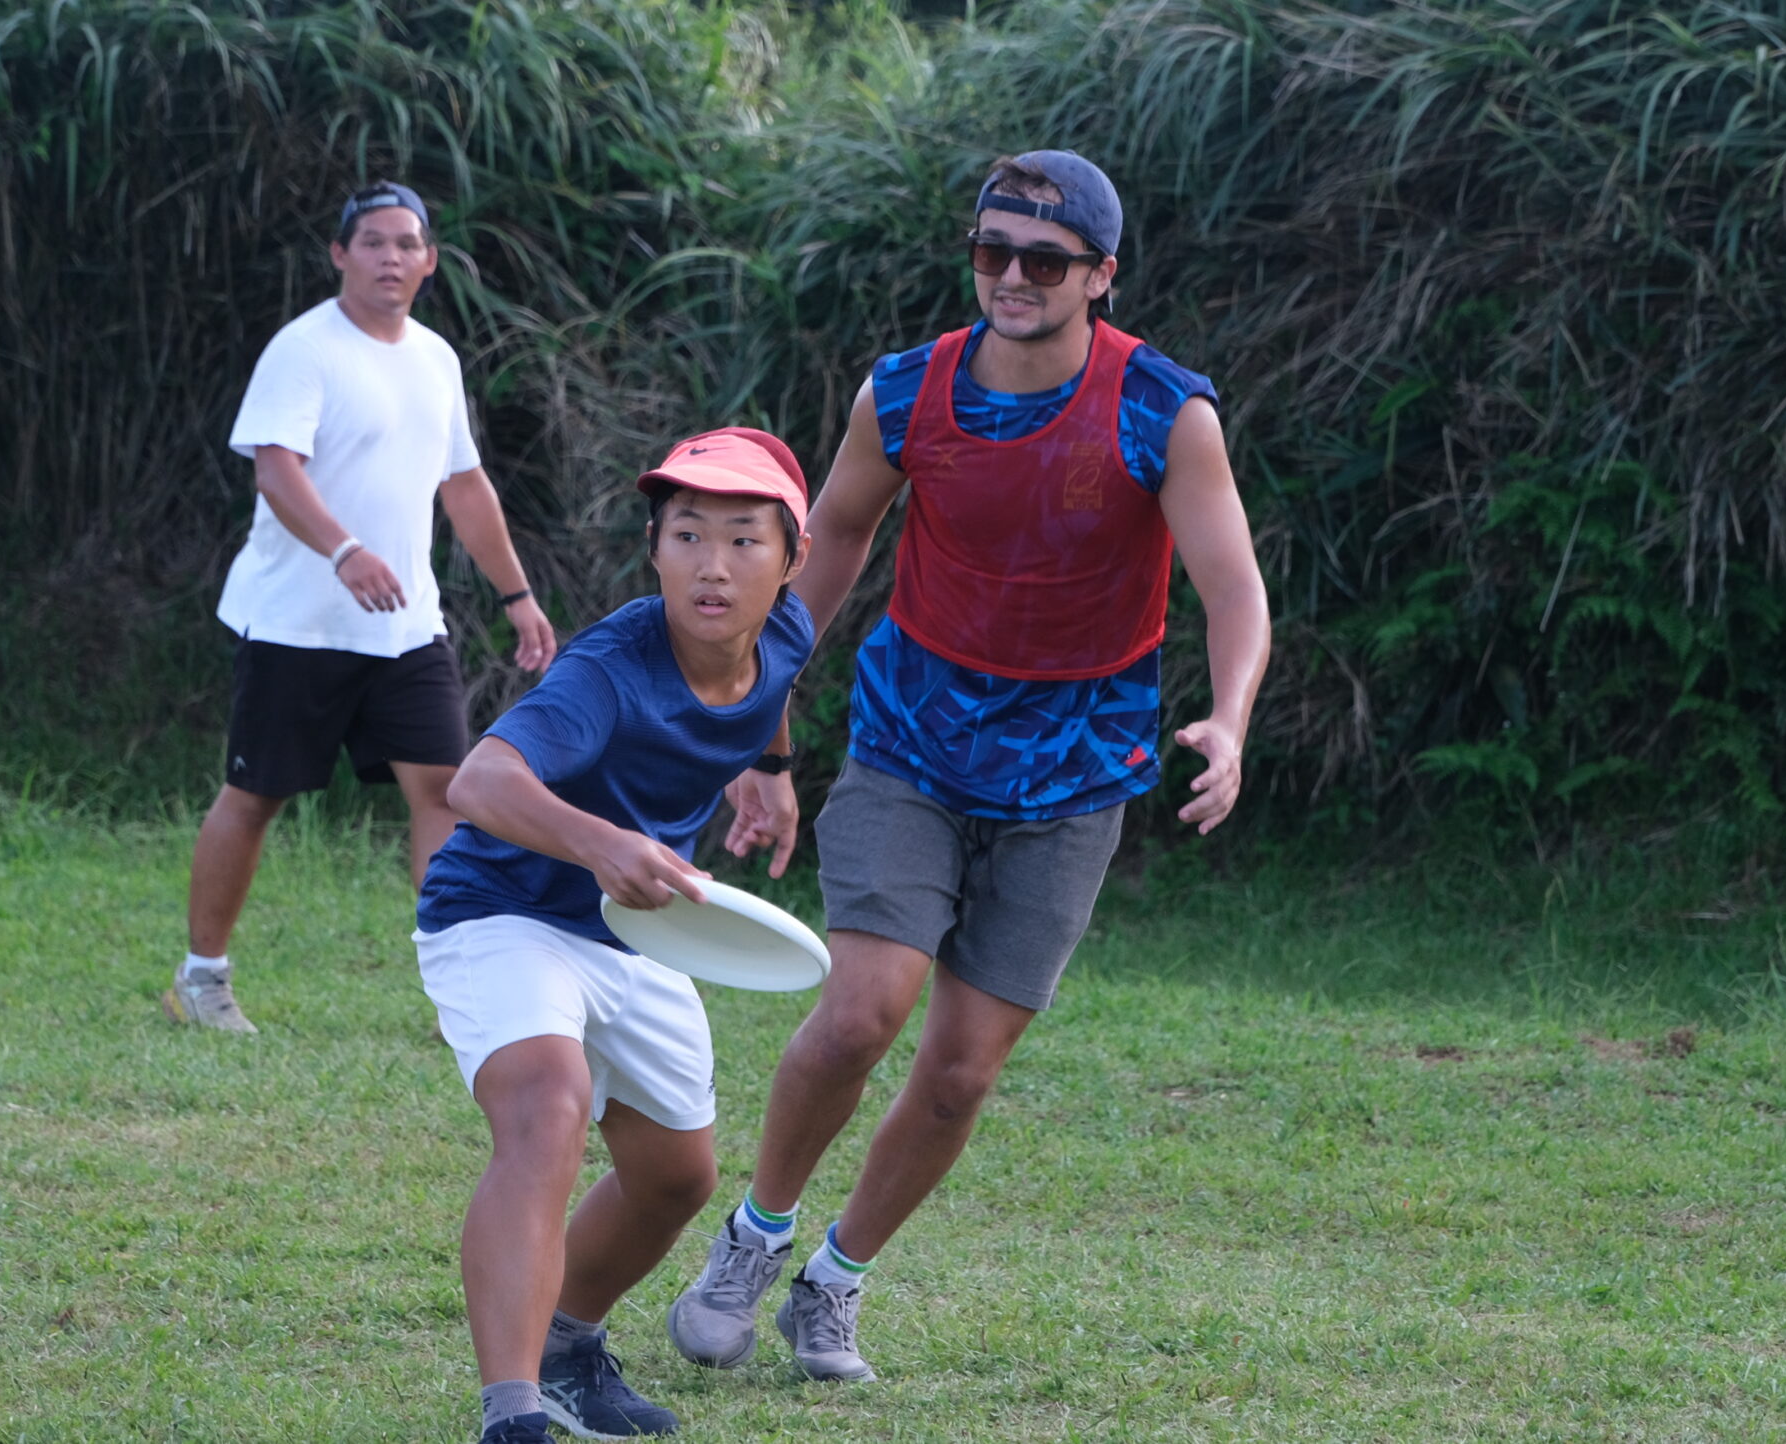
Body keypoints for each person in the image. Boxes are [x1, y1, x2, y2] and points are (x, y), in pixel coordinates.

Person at [668, 150, 1272, 1381]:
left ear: (1100, 275)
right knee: (860, 1013)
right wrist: (760, 727)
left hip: (1075, 774)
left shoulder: (1163, 409)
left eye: (1045, 260)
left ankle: (833, 1281)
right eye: (992, 251)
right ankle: (754, 1235)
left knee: (957, 1073)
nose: (1012, 276)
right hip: (912, 744)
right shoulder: (906, 392)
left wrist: (1230, 718)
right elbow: (829, 544)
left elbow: (1232, 588)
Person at [416, 429, 814, 1442]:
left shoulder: (787, 632)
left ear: (790, 560)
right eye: (687, 535)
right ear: (654, 550)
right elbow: (479, 782)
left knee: (678, 1176)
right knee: (546, 1108)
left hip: (638, 927)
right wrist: (601, 843)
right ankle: (512, 1410)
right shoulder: (609, 669)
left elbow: (770, 685)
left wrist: (770, 769)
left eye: (743, 539)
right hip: (503, 909)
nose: (712, 566)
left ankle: (566, 1348)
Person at [165, 181, 557, 1035]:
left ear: (429, 261)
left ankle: (460, 988)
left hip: (407, 628)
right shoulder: (304, 349)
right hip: (295, 623)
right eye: (372, 242)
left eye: (406, 243)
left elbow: (465, 485)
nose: (390, 257)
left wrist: (518, 596)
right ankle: (202, 979)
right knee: (255, 796)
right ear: (340, 254)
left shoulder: (436, 358)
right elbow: (276, 469)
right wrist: (345, 551)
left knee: (445, 792)